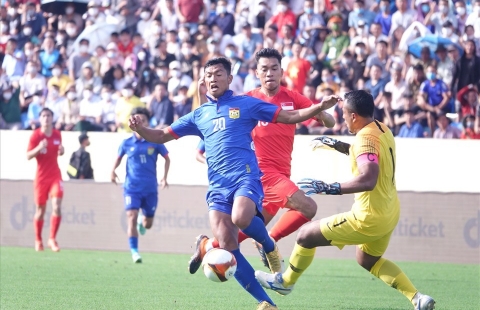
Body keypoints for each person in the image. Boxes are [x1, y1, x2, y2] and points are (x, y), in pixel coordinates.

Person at [128, 57, 340, 310]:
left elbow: (289, 116)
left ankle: (269, 245)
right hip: (218, 188)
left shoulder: (247, 104)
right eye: (209, 75)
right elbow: (162, 135)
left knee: (242, 217)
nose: (213, 78)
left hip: (247, 177)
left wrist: (318, 109)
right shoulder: (199, 115)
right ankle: (266, 302)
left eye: (219, 74)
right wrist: (141, 130)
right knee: (229, 247)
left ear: (229, 79)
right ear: (204, 82)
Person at [254, 90, 436, 310]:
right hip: (390, 212)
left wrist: (329, 188)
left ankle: (285, 282)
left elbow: (368, 178)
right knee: (367, 260)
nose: (341, 117)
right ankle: (417, 298)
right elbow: (366, 154)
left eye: (344, 113)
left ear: (354, 117)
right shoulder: (381, 129)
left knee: (305, 235)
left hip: (368, 217)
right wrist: (336, 145)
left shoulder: (364, 138)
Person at [189, 48, 335, 274]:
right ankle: (269, 244)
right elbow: (211, 130)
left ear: (281, 72)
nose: (269, 73)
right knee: (308, 207)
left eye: (274, 68)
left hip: (282, 173)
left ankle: (207, 245)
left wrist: (322, 112)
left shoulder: (293, 98)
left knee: (246, 229)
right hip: (260, 173)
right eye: (264, 69)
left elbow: (329, 122)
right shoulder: (246, 101)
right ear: (257, 73)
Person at [111, 108, 170, 263]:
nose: (140, 122)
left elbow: (167, 158)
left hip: (150, 188)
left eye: (143, 120)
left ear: (147, 122)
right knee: (131, 216)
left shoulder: (155, 141)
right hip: (131, 188)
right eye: (137, 119)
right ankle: (135, 252)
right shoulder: (126, 143)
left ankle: (142, 221)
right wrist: (112, 171)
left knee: (147, 224)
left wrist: (164, 177)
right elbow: (118, 158)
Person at [26, 108, 64, 252]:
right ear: (40, 119)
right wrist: (39, 148)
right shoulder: (36, 136)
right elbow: (28, 156)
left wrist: (62, 151)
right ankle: (38, 240)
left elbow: (59, 151)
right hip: (41, 178)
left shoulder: (57, 134)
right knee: (40, 211)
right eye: (43, 116)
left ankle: (52, 239)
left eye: (48, 115)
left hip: (55, 175)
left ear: (52, 118)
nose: (46, 118)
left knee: (57, 206)